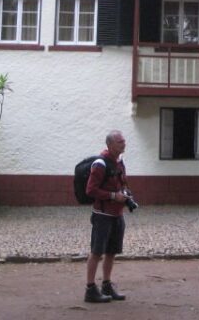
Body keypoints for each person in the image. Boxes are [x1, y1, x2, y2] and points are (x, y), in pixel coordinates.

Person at [84, 130, 130, 303]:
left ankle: (106, 285)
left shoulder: (119, 162)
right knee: (97, 252)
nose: (124, 144)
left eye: (124, 141)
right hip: (102, 215)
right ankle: (90, 289)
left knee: (111, 252)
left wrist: (126, 195)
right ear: (110, 145)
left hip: (117, 214)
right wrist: (113, 196)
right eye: (120, 142)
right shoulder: (100, 164)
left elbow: (123, 182)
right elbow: (90, 190)